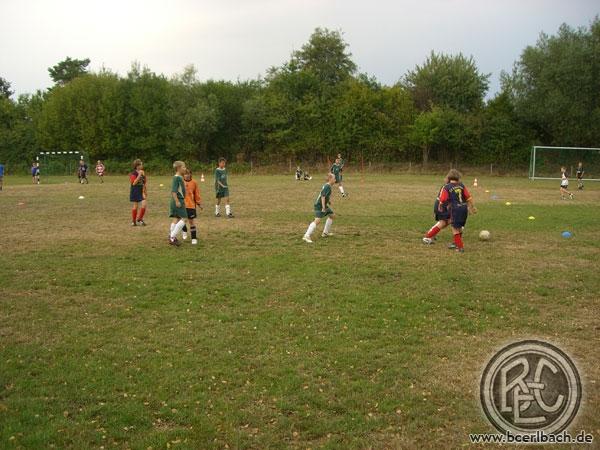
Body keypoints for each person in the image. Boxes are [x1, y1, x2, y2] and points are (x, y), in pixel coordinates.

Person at [437, 169, 477, 253]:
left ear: (449, 177)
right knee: (459, 227)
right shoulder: (462, 185)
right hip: (464, 208)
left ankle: (459, 247)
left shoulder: (447, 187)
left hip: (455, 209)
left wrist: (440, 205)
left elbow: (443, 199)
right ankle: (456, 243)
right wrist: (472, 207)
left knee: (454, 228)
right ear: (458, 177)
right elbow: (468, 197)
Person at [302, 173, 336, 244]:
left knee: (332, 215)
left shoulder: (328, 186)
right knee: (317, 221)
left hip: (323, 205)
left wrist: (328, 201)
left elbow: (324, 195)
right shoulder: (327, 186)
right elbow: (322, 196)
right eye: (334, 178)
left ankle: (325, 233)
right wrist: (323, 207)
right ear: (330, 179)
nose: (335, 180)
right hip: (319, 206)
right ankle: (306, 236)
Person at [422, 177, 451, 245]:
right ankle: (428, 236)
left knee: (448, 221)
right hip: (442, 206)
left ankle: (432, 234)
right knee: (444, 222)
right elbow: (442, 199)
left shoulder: (449, 186)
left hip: (443, 206)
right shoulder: (447, 187)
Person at [168, 161, 188, 246]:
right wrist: (177, 201)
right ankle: (172, 237)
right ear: (179, 168)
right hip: (178, 201)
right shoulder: (177, 178)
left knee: (176, 218)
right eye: (183, 167)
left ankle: (171, 235)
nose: (185, 169)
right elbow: (174, 191)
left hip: (179, 200)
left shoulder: (180, 177)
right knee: (184, 218)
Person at [182, 169, 202, 245]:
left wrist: (199, 203)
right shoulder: (181, 182)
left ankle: (193, 238)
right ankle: (184, 230)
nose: (187, 175)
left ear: (191, 174)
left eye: (188, 174)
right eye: (185, 174)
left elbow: (197, 193)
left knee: (191, 221)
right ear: (183, 175)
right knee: (182, 220)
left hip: (191, 205)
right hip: (182, 205)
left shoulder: (194, 183)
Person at [129, 159, 148, 226]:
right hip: (135, 190)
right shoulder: (133, 173)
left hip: (141, 190)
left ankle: (140, 219)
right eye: (141, 164)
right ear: (137, 166)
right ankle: (133, 221)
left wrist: (145, 190)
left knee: (144, 204)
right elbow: (133, 183)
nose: (142, 165)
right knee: (136, 206)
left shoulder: (142, 172)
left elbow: (144, 181)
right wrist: (139, 175)